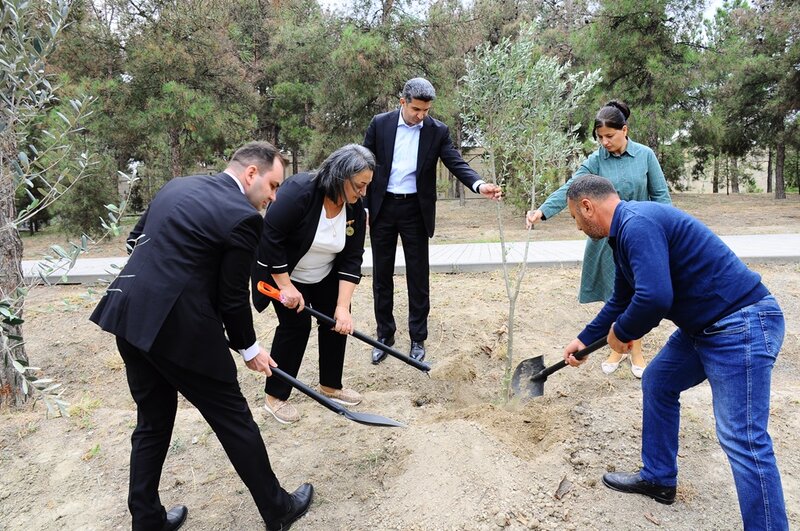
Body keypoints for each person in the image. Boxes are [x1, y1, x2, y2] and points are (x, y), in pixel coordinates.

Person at [89, 142, 313, 531]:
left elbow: (135, 241)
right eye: (273, 186)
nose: (274, 197)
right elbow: (231, 299)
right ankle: (278, 510)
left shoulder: (177, 185)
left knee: (153, 422)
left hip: (129, 316)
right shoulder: (244, 217)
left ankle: (147, 520)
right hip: (181, 334)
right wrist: (250, 348)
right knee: (233, 418)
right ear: (251, 174)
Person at [560, 174, 788, 529]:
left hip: (741, 325)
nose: (577, 226)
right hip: (706, 328)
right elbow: (623, 299)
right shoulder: (623, 237)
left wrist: (623, 333)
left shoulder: (637, 225)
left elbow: (655, 298)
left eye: (574, 217)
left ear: (587, 206)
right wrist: (584, 338)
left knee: (742, 438)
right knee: (659, 381)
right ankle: (659, 478)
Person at [526, 100, 671, 378]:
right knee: (615, 296)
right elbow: (572, 187)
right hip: (606, 239)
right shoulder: (595, 161)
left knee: (639, 293)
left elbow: (661, 197)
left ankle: (636, 350)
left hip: (640, 237)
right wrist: (542, 211)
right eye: (600, 137)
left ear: (624, 130)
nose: (604, 142)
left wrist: (663, 234)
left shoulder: (645, 155)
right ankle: (617, 347)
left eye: (610, 136)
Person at [364, 77, 502, 363]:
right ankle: (384, 335)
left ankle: (418, 338)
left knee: (418, 277)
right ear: (402, 102)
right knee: (381, 276)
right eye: (416, 109)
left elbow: (455, 161)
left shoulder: (437, 131)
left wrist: (479, 185)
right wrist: (363, 207)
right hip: (383, 208)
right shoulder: (380, 124)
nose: (421, 116)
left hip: (416, 210)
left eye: (426, 110)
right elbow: (364, 163)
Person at [252, 144, 375, 424]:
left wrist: (343, 307)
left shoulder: (356, 207)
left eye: (367, 186)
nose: (363, 193)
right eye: (359, 185)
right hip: (284, 272)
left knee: (335, 323)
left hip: (324, 273)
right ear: (340, 177)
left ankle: (331, 386)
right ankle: (276, 396)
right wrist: (286, 286)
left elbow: (352, 258)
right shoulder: (300, 192)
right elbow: (271, 238)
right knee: (295, 327)